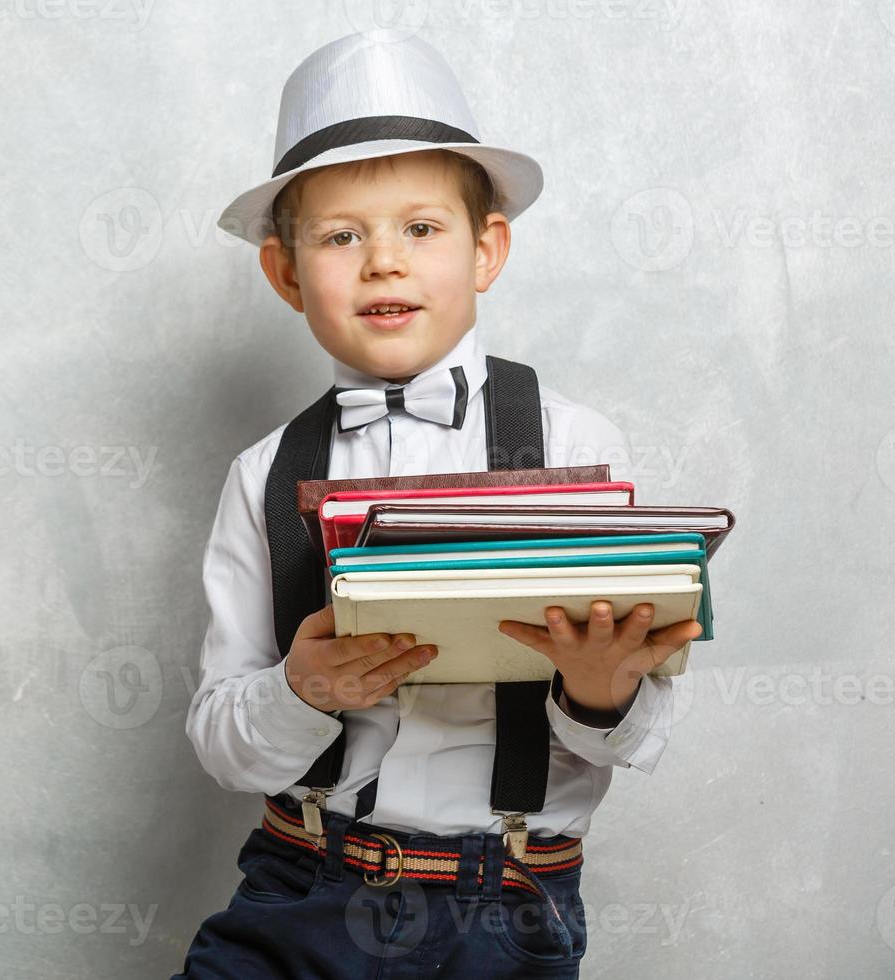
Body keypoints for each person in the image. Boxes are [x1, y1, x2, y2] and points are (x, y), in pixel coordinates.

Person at [172, 32, 702, 979]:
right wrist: (303, 692)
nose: (383, 262)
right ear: (287, 274)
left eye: (421, 228)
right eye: (342, 235)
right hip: (301, 885)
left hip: (505, 906)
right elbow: (221, 741)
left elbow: (642, 732)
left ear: (487, 248)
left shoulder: (576, 446)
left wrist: (599, 687)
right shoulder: (262, 473)